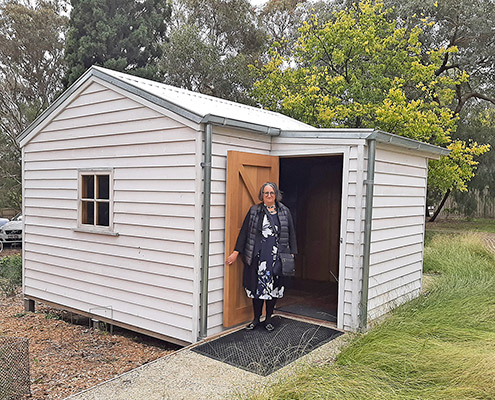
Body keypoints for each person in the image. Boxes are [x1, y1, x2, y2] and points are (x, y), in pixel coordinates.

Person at [226, 182, 297, 332]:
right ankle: (256, 319)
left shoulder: (284, 211)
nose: (269, 196)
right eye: (266, 193)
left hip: (277, 257)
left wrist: (291, 253)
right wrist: (236, 252)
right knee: (257, 289)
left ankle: (269, 319)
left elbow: (291, 233)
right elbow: (244, 232)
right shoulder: (254, 211)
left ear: (276, 195)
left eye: (272, 193)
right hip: (258, 256)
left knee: (273, 289)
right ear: (262, 195)